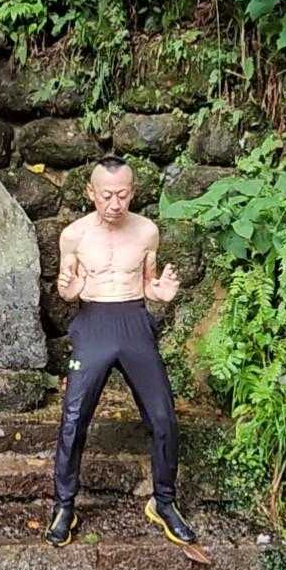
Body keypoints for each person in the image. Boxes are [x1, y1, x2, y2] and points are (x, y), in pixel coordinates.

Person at [47, 154, 197, 549]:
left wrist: (159, 293)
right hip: (93, 322)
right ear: (90, 192)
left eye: (123, 195)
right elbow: (68, 288)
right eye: (107, 195)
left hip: (133, 321)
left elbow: (147, 283)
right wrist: (69, 292)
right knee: (74, 418)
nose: (115, 204)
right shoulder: (74, 236)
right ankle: (64, 505)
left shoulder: (147, 231)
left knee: (163, 416)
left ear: (133, 192)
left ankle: (164, 502)